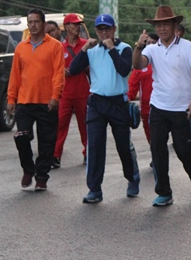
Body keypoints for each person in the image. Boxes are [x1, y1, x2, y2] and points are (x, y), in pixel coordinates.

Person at [133, 6, 191, 207]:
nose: (162, 28)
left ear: (175, 25)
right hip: (159, 107)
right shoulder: (151, 49)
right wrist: (138, 47)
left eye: (166, 24)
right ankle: (164, 192)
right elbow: (138, 65)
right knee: (157, 149)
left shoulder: (187, 47)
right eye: (159, 25)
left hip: (183, 109)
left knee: (183, 150)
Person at [69, 14, 140, 204]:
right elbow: (74, 69)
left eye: (106, 29)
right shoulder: (91, 51)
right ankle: (94, 188)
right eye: (100, 29)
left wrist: (111, 48)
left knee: (123, 146)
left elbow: (124, 70)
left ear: (113, 29)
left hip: (118, 103)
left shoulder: (124, 49)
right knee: (95, 147)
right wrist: (84, 49)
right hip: (97, 103)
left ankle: (132, 177)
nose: (103, 32)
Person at [8, 9, 65, 191]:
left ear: (43, 24)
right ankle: (28, 168)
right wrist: (11, 99)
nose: (33, 25)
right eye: (30, 21)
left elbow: (58, 74)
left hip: (47, 102)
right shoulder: (21, 48)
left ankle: (41, 176)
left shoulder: (55, 46)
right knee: (22, 136)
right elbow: (15, 76)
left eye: (36, 22)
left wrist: (55, 96)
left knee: (47, 141)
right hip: (24, 101)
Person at [52, 14, 90, 169]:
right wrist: (62, 71)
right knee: (60, 123)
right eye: (74, 24)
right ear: (66, 27)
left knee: (85, 124)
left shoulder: (87, 45)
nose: (77, 27)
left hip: (83, 91)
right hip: (65, 93)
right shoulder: (59, 47)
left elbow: (92, 68)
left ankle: (88, 152)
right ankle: (55, 155)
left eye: (79, 24)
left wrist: (81, 67)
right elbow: (53, 69)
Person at [128, 32, 159, 145]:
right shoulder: (140, 64)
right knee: (151, 138)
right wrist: (125, 100)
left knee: (160, 137)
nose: (150, 45)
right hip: (146, 109)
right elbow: (132, 86)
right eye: (148, 43)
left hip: (164, 106)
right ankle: (156, 159)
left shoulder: (163, 60)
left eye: (153, 43)